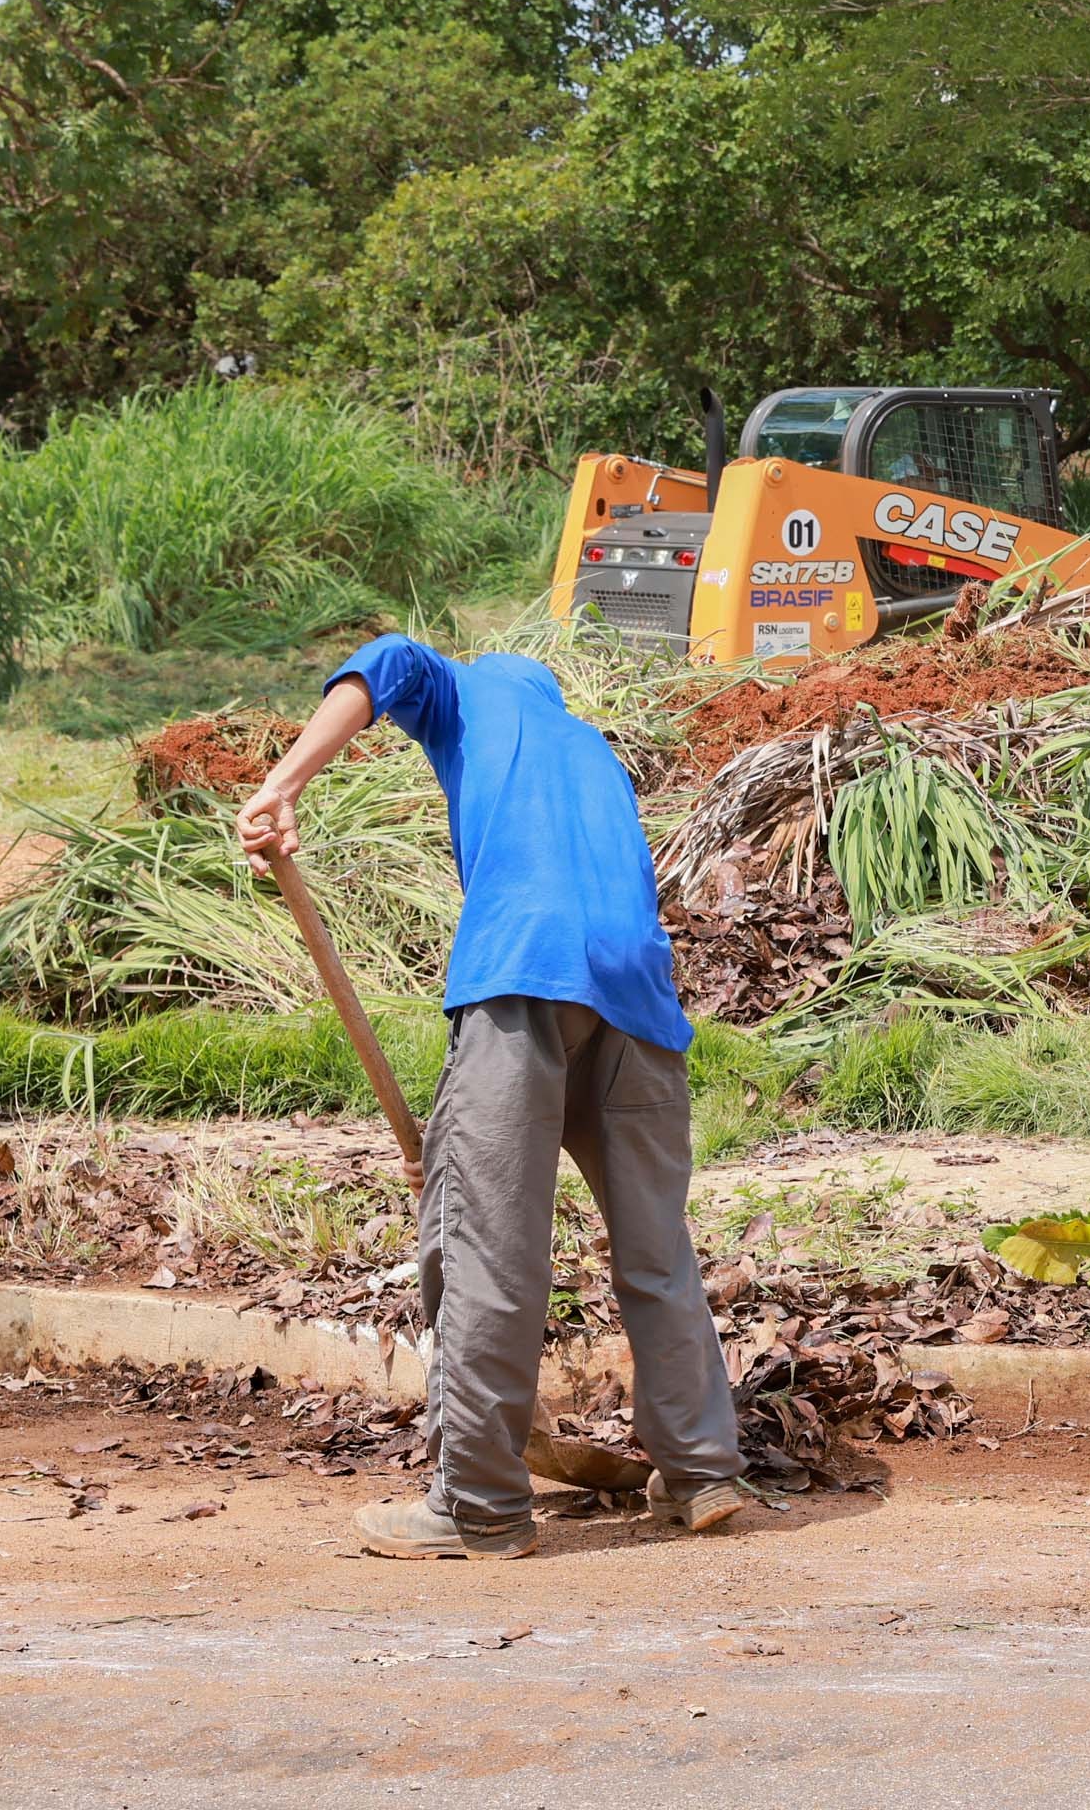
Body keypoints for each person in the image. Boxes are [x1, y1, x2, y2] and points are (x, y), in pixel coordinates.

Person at [236, 636, 754, 1562]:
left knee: (488, 1245)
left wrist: (284, 784)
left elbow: (387, 659)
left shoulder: (462, 695)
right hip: (640, 998)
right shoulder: (593, 750)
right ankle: (704, 1468)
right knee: (656, 1254)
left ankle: (476, 1502)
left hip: (524, 969)